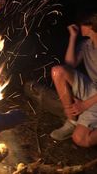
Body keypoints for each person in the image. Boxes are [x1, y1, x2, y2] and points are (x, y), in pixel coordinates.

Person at [50, 11, 97, 147]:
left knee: (80, 139)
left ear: (91, 26)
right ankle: (71, 121)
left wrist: (84, 104)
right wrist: (72, 37)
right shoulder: (87, 45)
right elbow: (70, 64)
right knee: (58, 72)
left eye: (82, 24)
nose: (79, 26)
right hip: (93, 89)